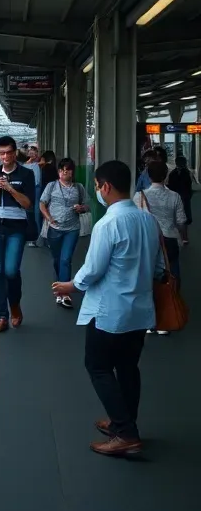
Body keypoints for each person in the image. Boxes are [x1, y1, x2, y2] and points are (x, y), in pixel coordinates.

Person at [51, 160, 163, 457]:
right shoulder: (148, 220)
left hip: (109, 312)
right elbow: (159, 266)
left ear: (106, 187)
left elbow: (92, 270)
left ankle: (126, 433)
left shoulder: (108, 224)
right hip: (140, 311)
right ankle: (122, 422)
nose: (98, 191)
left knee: (98, 367)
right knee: (128, 368)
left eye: (98, 186)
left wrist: (68, 286)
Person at [0, 135, 34, 333]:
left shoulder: (27, 174)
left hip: (16, 229)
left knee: (11, 271)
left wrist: (10, 189)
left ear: (15, 153)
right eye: (1, 153)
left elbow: (28, 204)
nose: (5, 156)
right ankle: (2, 316)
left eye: (9, 153)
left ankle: (15, 306)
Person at [133, 160, 186, 332]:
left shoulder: (139, 197)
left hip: (148, 240)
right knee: (170, 277)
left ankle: (150, 320)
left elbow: (135, 221)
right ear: (166, 176)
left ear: (148, 176)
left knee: (148, 278)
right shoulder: (174, 196)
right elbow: (181, 221)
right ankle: (167, 317)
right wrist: (183, 238)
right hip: (170, 240)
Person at [39, 158, 89, 308]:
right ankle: (59, 285)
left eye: (67, 170)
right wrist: (49, 218)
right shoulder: (51, 186)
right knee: (57, 260)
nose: (63, 172)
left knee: (65, 260)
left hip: (72, 229)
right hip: (55, 229)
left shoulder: (79, 188)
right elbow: (42, 203)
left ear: (73, 172)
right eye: (61, 170)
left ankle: (64, 294)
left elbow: (87, 204)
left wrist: (81, 208)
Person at [21, 146, 43, 247]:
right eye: (30, 152)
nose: (32, 154)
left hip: (35, 191)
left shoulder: (37, 165)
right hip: (29, 192)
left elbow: (37, 182)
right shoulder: (26, 165)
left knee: (36, 215)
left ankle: (38, 238)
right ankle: (31, 236)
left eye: (34, 152)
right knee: (29, 216)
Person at [167, 156, 194, 235]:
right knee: (183, 216)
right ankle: (183, 235)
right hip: (183, 196)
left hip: (180, 196)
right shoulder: (187, 173)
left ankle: (181, 234)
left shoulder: (173, 173)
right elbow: (189, 186)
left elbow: (171, 186)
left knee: (179, 216)